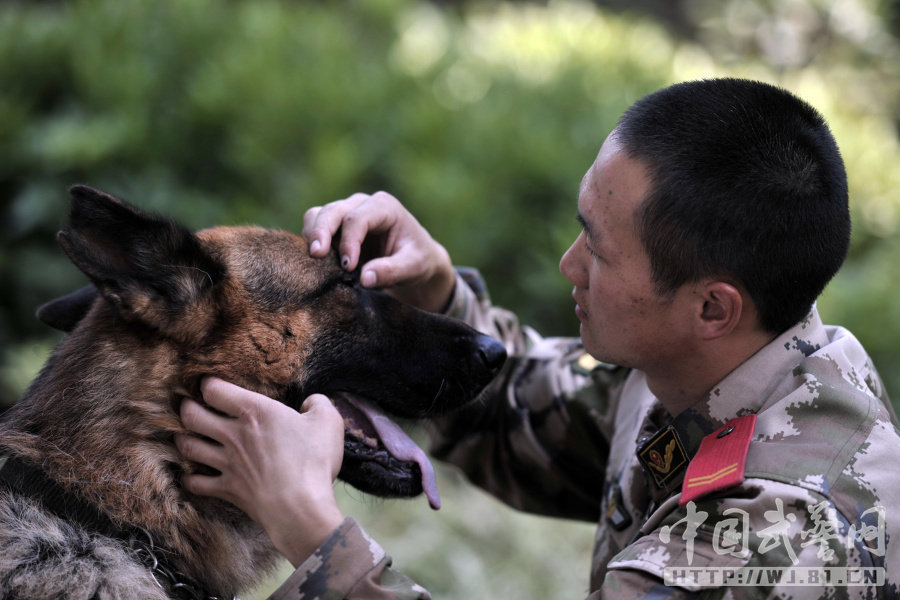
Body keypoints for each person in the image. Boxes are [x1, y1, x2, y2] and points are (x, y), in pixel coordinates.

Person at [175, 78, 900, 598]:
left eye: (600, 252)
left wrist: (313, 532)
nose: (568, 266)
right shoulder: (706, 371)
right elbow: (514, 413)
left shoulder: (780, 533)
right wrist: (436, 294)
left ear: (712, 308)